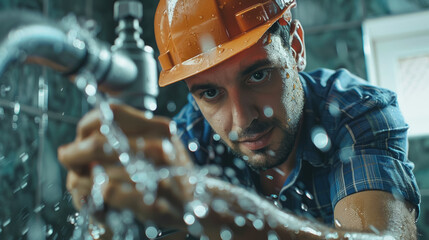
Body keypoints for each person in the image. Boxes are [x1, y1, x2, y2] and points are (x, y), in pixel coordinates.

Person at [58, 0, 421, 239]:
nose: (242, 119)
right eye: (210, 93)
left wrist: (214, 205)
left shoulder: (357, 111)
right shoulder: (190, 138)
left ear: (295, 48)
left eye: (258, 75)